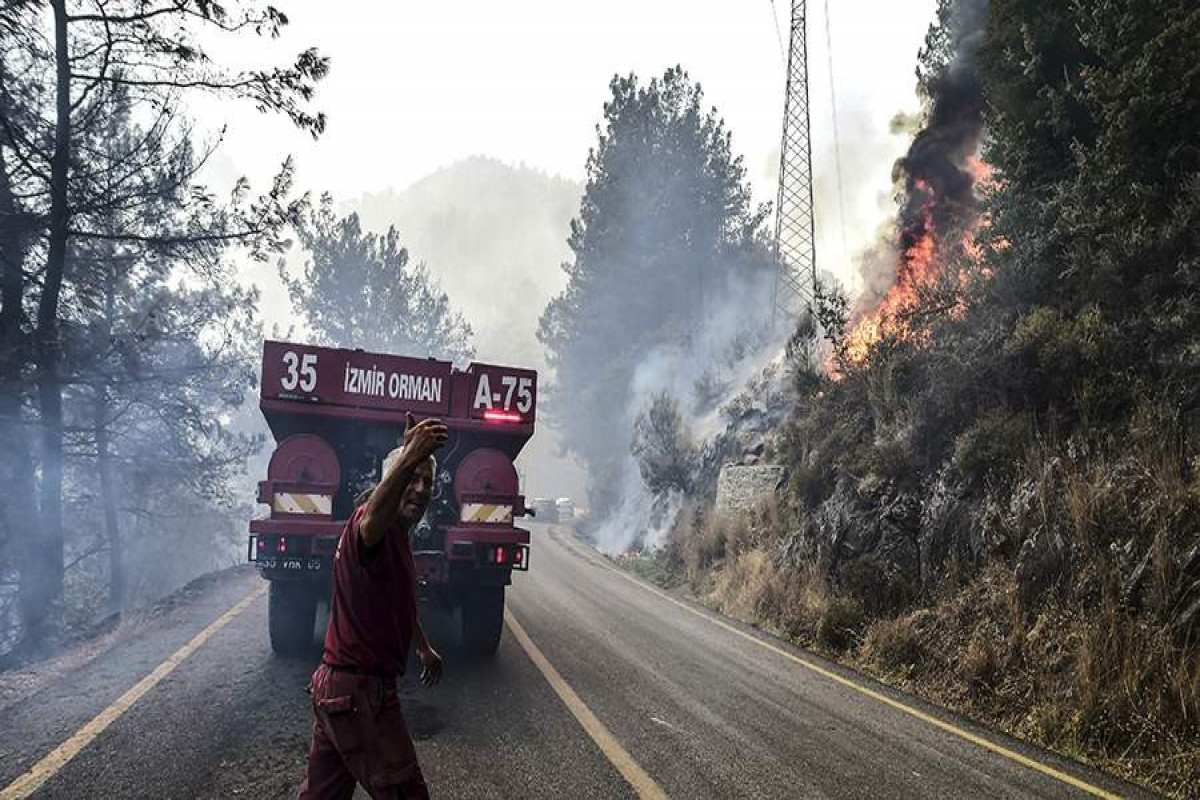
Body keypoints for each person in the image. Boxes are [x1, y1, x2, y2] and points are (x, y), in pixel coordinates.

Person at [299, 412, 448, 800]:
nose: (419, 489)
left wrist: (422, 645)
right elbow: (372, 522)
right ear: (390, 481)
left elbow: (396, 600)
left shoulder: (397, 536)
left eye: (426, 483)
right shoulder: (369, 527)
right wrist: (409, 454)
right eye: (410, 478)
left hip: (336, 690)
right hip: (361, 694)